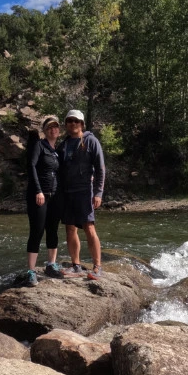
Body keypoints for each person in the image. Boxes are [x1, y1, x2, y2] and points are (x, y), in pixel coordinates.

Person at [57, 109, 105, 280]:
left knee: (89, 227)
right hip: (67, 193)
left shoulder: (92, 141)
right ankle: (76, 265)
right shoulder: (63, 145)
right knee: (70, 229)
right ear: (66, 124)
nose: (73, 124)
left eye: (76, 121)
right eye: (69, 121)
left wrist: (98, 193)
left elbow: (100, 169)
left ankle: (97, 266)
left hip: (85, 191)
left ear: (82, 124)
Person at [23, 116, 64, 286]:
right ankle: (31, 271)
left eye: (55, 127)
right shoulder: (38, 145)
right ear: (45, 130)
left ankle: (51, 265)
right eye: (49, 128)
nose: (53, 130)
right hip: (39, 195)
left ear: (58, 130)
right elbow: (31, 167)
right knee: (37, 231)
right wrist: (38, 190)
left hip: (55, 196)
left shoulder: (58, 150)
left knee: (53, 230)